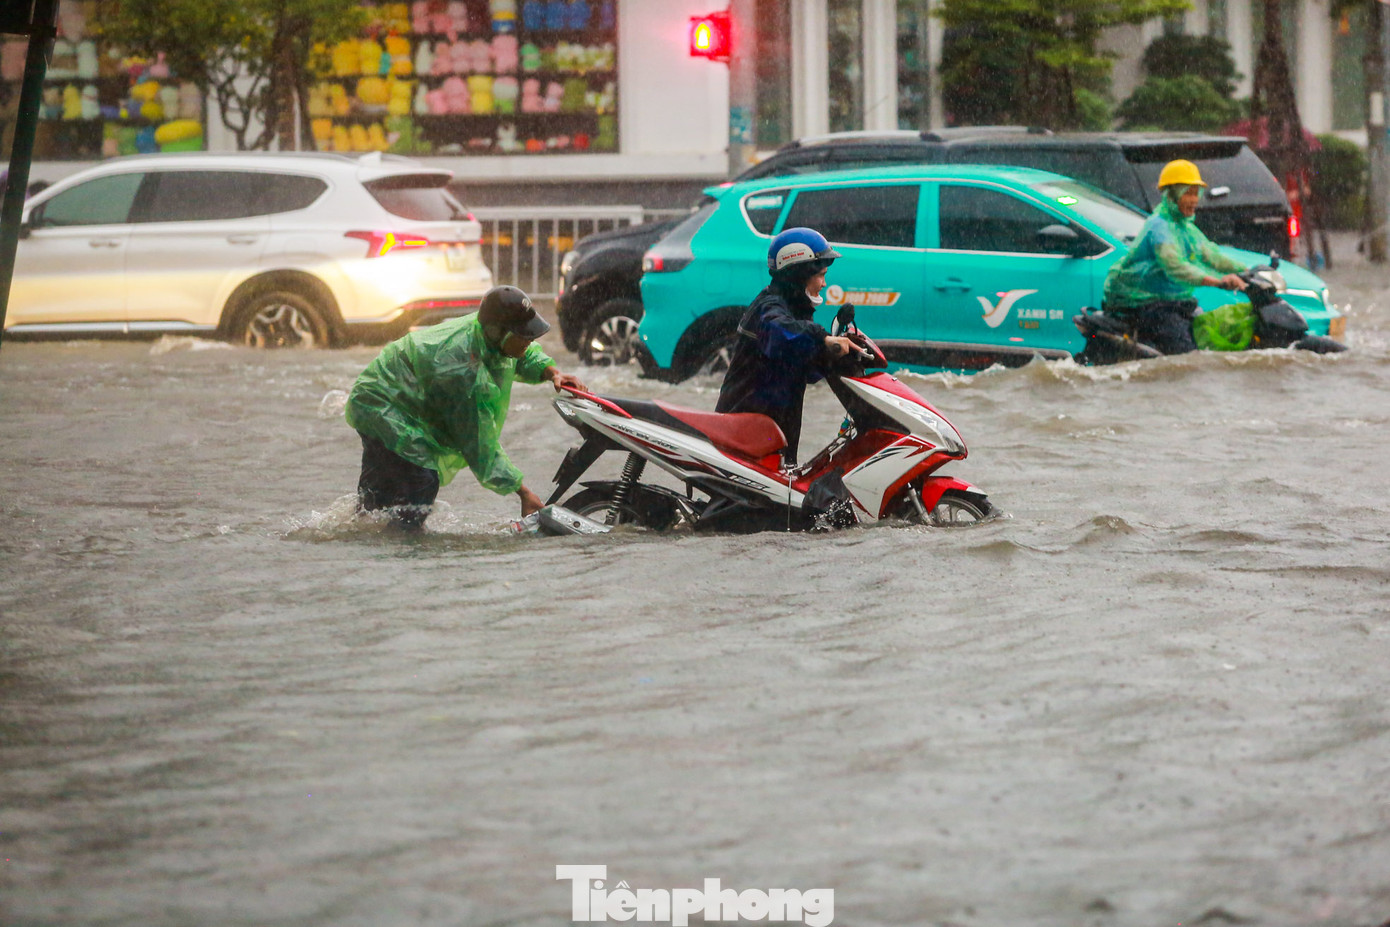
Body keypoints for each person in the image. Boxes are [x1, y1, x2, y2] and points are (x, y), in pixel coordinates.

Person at [344, 285, 586, 529]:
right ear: (498, 332)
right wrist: (523, 492)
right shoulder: (462, 371)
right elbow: (478, 445)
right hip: (379, 402)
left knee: (374, 501)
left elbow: (521, 353)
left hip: (389, 395)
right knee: (422, 481)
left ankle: (362, 538)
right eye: (524, 335)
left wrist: (552, 372)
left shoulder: (487, 335)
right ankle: (406, 549)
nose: (530, 339)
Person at [715, 227, 856, 465]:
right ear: (799, 273)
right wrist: (822, 337)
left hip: (772, 432)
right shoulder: (769, 308)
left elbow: (806, 368)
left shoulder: (794, 309)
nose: (824, 284)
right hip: (747, 432)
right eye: (820, 275)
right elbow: (780, 334)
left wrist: (834, 355)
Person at [1101, 158, 1249, 355]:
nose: (1194, 200)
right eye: (1188, 193)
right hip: (1146, 304)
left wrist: (1247, 271)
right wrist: (1217, 282)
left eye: (1196, 193)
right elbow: (1175, 267)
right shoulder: (1160, 227)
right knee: (1187, 357)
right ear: (1171, 195)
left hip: (1173, 301)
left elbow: (1212, 255)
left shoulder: (1185, 227)